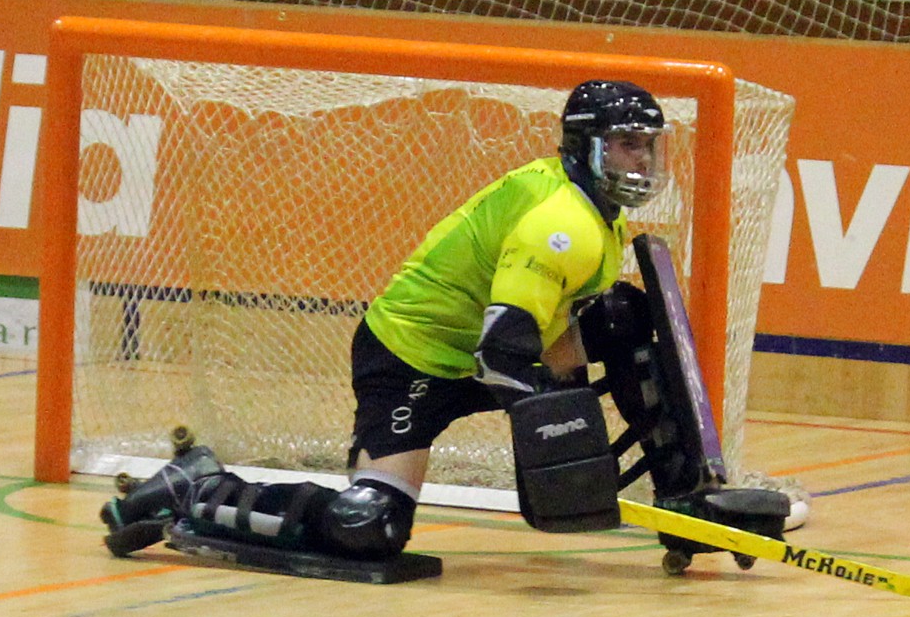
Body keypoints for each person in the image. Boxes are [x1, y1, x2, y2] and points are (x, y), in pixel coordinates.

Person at [100, 79, 691, 564]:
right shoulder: (561, 224)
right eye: (627, 145)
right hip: (411, 357)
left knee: (622, 316)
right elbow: (501, 356)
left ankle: (682, 490)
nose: (642, 160)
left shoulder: (599, 214)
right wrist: (565, 430)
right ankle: (199, 486)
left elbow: (539, 333)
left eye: (648, 146)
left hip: (482, 348)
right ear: (586, 147)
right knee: (368, 524)